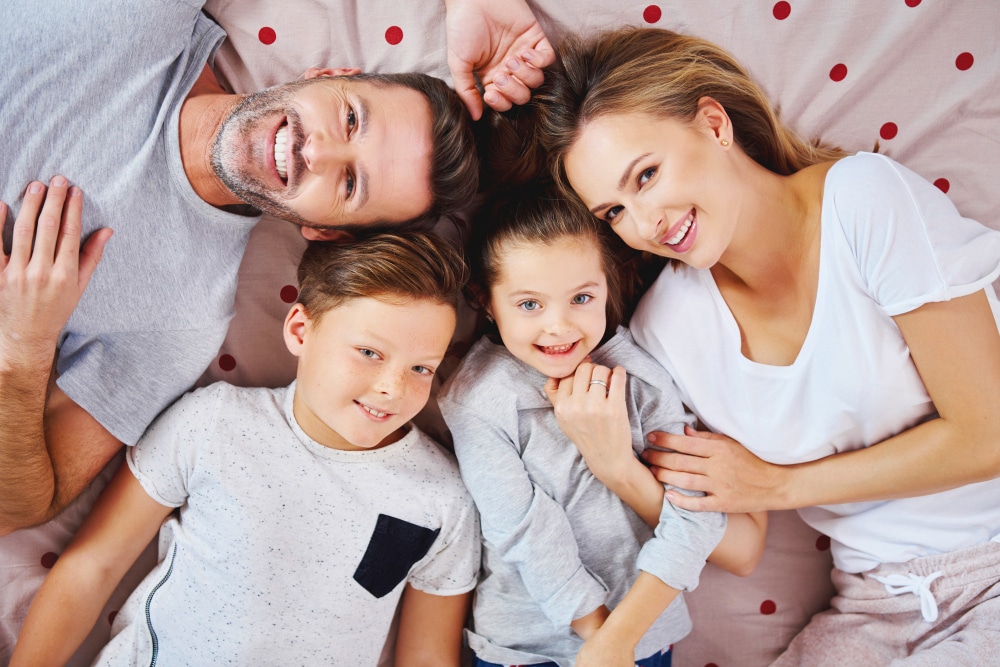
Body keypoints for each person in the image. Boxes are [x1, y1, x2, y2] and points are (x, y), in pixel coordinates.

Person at [526, 26, 1000, 664]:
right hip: (875, 603)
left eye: (646, 175)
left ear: (713, 124)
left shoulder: (862, 201)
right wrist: (618, 468)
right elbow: (741, 545)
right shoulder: (665, 330)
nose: (645, 225)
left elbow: (988, 434)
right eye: (613, 212)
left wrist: (777, 486)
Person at [0, 0, 557, 535]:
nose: (313, 153)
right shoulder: (144, 16)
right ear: (326, 73)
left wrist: (21, 348)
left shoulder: (180, 319)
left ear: (324, 231)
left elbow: (22, 508)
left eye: (349, 184)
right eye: (349, 119)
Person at [10, 232, 480, 666]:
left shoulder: (443, 499)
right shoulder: (215, 422)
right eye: (369, 353)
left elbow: (427, 658)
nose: (392, 389)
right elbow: (91, 568)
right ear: (300, 330)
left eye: (421, 368)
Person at [438, 187, 766, 667]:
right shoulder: (476, 399)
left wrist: (621, 640)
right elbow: (527, 532)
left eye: (581, 298)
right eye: (530, 305)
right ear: (486, 301)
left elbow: (695, 517)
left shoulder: (644, 377)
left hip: (643, 637)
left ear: (606, 288)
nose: (559, 326)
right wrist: (599, 638)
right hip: (524, 648)